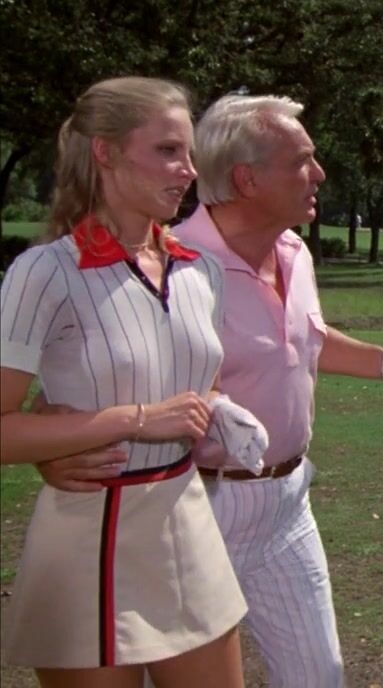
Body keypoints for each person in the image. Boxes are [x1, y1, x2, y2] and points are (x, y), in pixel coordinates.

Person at [37, 93, 383, 687]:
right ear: (246, 180)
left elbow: (302, 339)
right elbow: (91, 376)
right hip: (194, 505)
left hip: (287, 505)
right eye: (301, 161)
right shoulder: (172, 263)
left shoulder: (294, 251)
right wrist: (53, 446)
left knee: (319, 678)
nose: (319, 173)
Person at [0, 77, 251, 685]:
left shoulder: (203, 271)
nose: (188, 170)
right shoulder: (44, 272)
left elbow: (199, 388)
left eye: (189, 153)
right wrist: (131, 422)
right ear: (105, 152)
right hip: (87, 537)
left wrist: (221, 411)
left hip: (186, 526)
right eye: (168, 150)